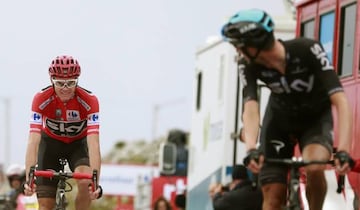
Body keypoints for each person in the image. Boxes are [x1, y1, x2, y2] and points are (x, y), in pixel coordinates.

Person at [221, 9, 353, 210]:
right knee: (273, 197)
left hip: (314, 119)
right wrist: (251, 148)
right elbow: (250, 106)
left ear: (255, 44)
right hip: (279, 122)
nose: (238, 52)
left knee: (315, 166)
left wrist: (343, 150)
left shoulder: (307, 49)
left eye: (240, 47)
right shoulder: (247, 64)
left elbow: (341, 101)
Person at [23, 55, 102, 210]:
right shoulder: (40, 99)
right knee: (45, 205)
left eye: (70, 83)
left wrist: (95, 182)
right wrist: (29, 179)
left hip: (78, 146)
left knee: (86, 184)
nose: (65, 89)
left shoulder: (90, 101)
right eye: (60, 83)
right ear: (52, 80)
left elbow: (94, 144)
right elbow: (33, 141)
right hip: (50, 146)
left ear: (77, 81)